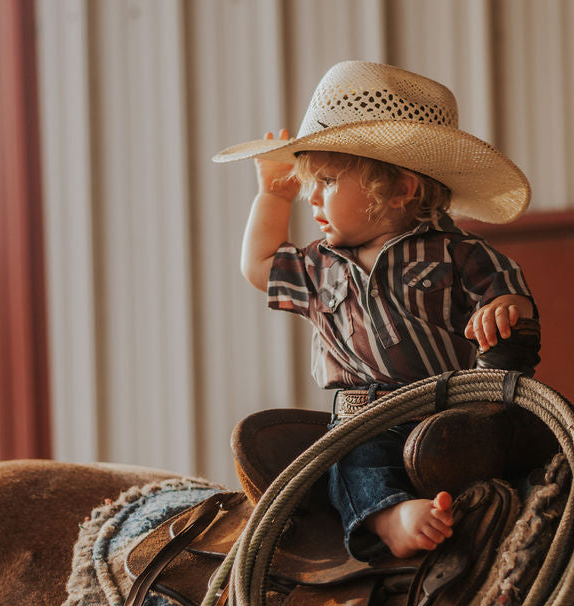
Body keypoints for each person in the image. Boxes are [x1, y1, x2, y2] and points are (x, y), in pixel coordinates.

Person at [214, 61, 540, 560]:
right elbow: (258, 264)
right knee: (353, 459)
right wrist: (270, 197)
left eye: (326, 180)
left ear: (399, 189)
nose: (313, 199)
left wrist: (503, 310)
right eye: (309, 186)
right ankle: (389, 516)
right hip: (366, 415)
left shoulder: (455, 251)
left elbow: (508, 294)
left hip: (451, 407)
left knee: (515, 442)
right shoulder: (318, 266)